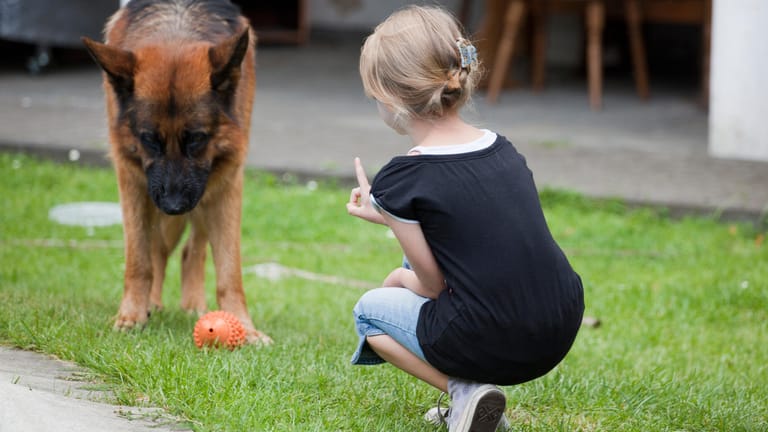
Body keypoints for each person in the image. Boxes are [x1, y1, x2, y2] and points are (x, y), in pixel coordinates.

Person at [345, 5, 585, 432]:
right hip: (559, 323)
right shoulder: (501, 148)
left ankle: (466, 395)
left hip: (491, 335)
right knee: (416, 268)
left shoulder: (403, 177)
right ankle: (473, 397)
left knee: (369, 313)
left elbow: (432, 285)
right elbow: (472, 227)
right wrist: (387, 215)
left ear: (391, 100)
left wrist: (398, 281)